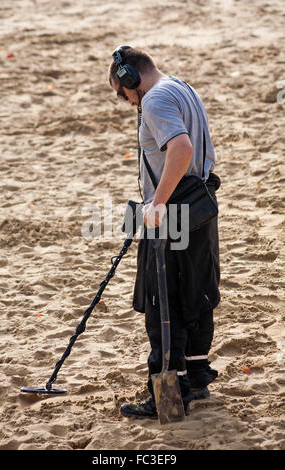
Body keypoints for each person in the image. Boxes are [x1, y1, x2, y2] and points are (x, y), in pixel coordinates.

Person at [108, 46, 221, 419]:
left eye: (122, 93)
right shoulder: (182, 87)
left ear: (131, 79)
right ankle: (196, 379)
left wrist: (157, 203)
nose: (125, 102)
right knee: (196, 292)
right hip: (200, 204)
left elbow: (181, 148)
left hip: (172, 211)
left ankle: (167, 393)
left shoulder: (154, 100)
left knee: (162, 303)